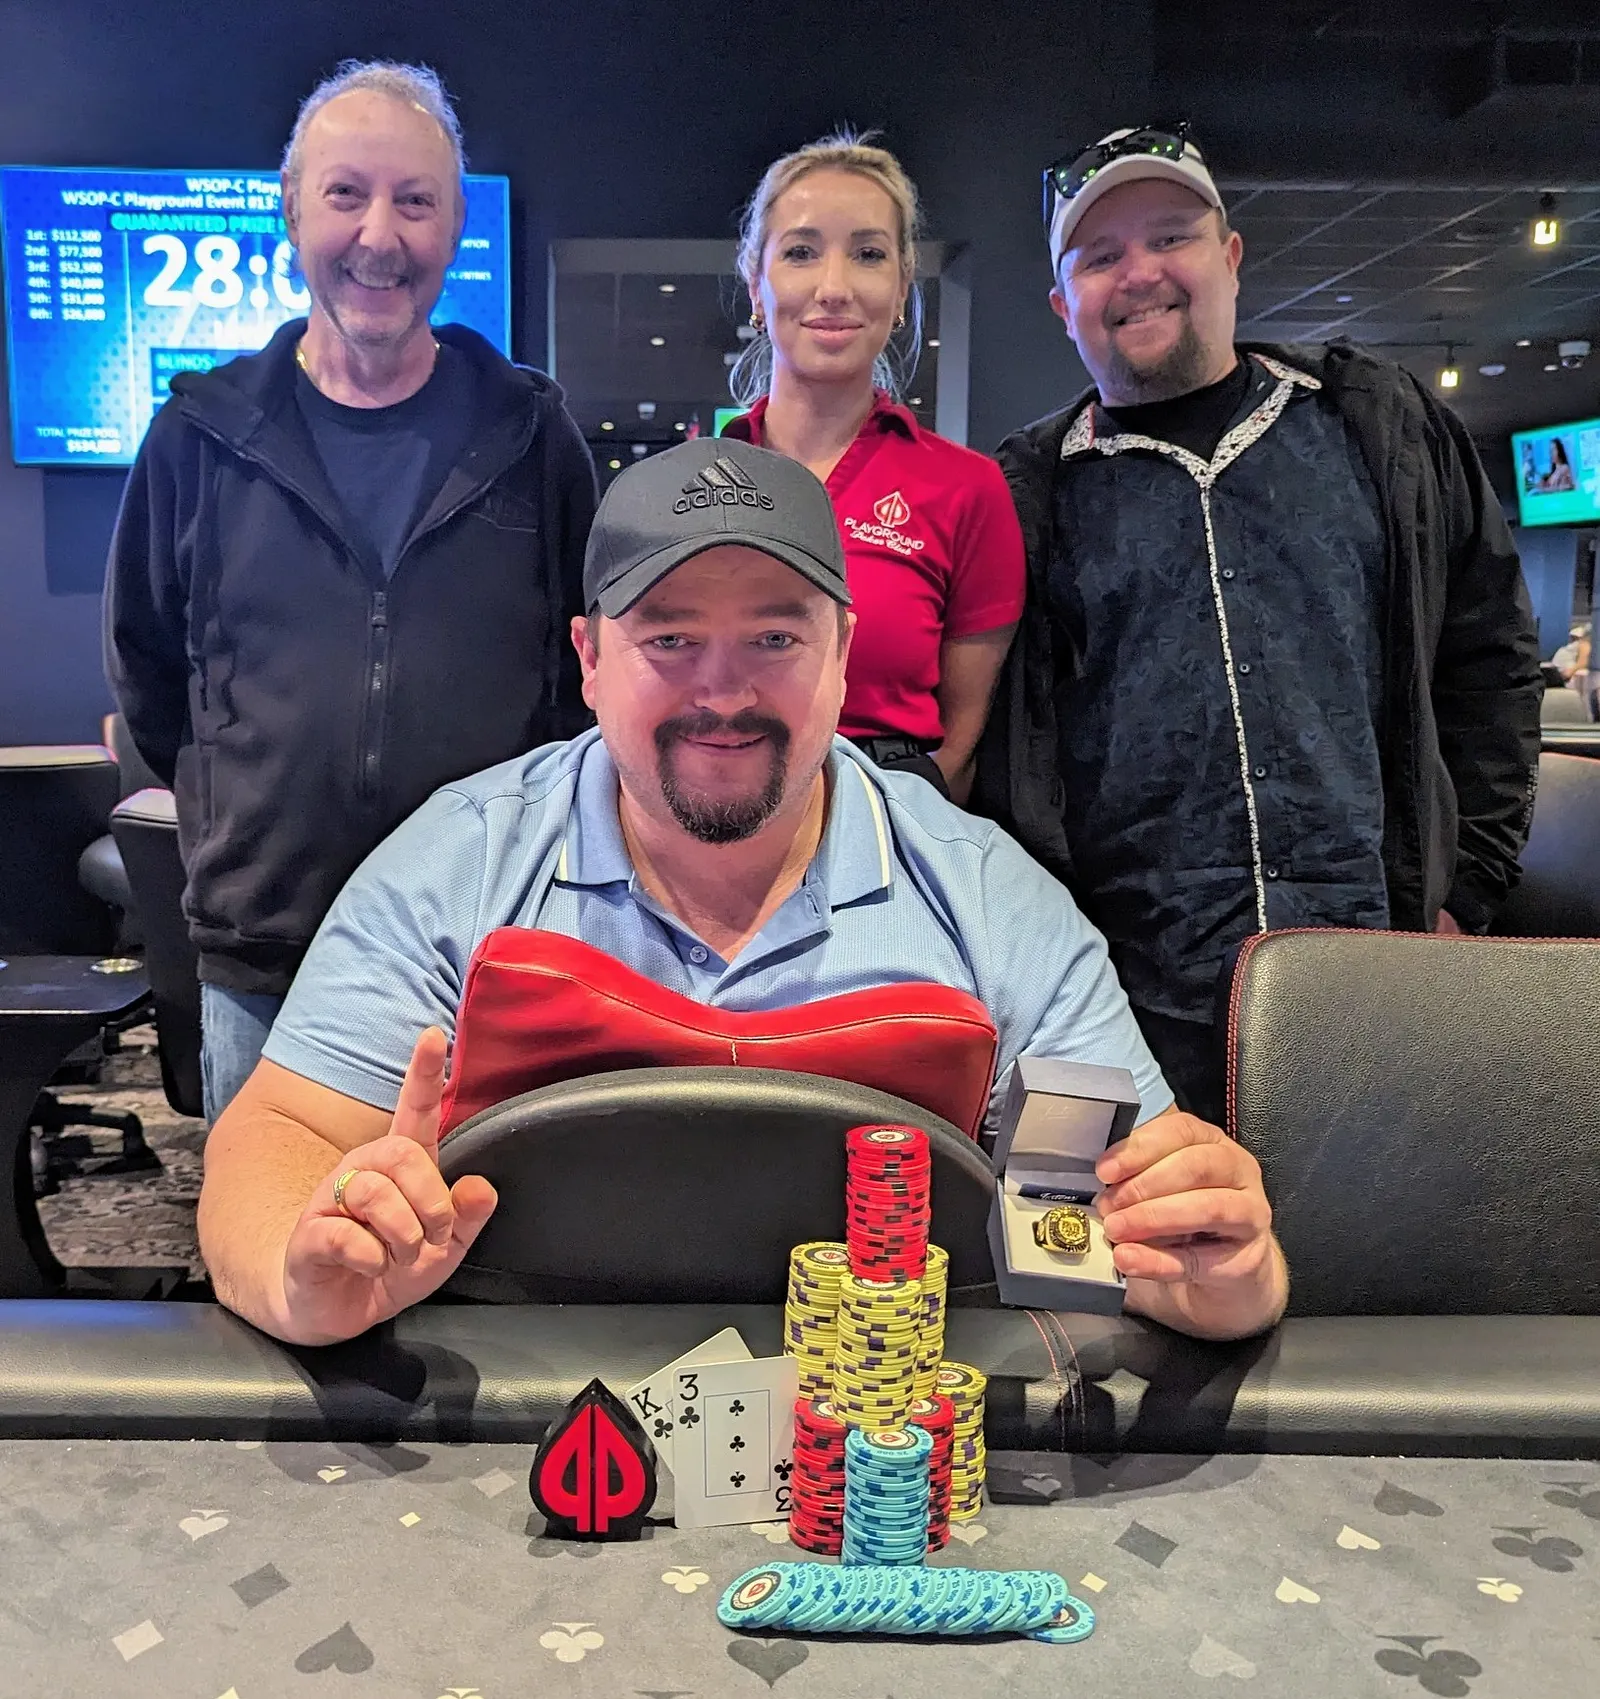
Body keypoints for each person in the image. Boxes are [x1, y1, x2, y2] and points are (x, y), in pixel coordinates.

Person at [196, 436, 1287, 1350]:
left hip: (879, 1440)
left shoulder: (990, 901)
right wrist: (309, 1275)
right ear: (588, 658)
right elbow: (274, 1139)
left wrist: (1222, 1279)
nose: (722, 692)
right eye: (669, 637)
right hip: (504, 1420)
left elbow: (1106, 1219)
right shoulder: (458, 863)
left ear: (843, 651)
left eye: (774, 636)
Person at [977, 123, 1542, 1126]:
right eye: (1099, 256)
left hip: (1375, 976)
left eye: (1170, 237)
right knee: (1139, 1232)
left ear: (1230, 256)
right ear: (1063, 304)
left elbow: (1488, 663)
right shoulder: (1029, 493)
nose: (1139, 273)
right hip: (1128, 1007)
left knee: (1371, 1225)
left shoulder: (1378, 429)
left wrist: (1468, 891)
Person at [104, 60, 597, 1122]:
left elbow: (580, 679)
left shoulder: (531, 435)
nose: (380, 235)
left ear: (454, 226)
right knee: (276, 1228)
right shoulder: (198, 437)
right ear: (292, 213)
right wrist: (239, 818)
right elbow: (149, 677)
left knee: (483, 1226)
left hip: (483, 956)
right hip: (264, 961)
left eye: (415, 201)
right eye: (346, 194)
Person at [720, 134, 1024, 804]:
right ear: (756, 286)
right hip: (720, 814)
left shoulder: (968, 489)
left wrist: (890, 835)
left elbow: (965, 742)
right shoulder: (698, 484)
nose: (834, 288)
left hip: (895, 822)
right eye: (801, 252)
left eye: (868, 254)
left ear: (901, 287)